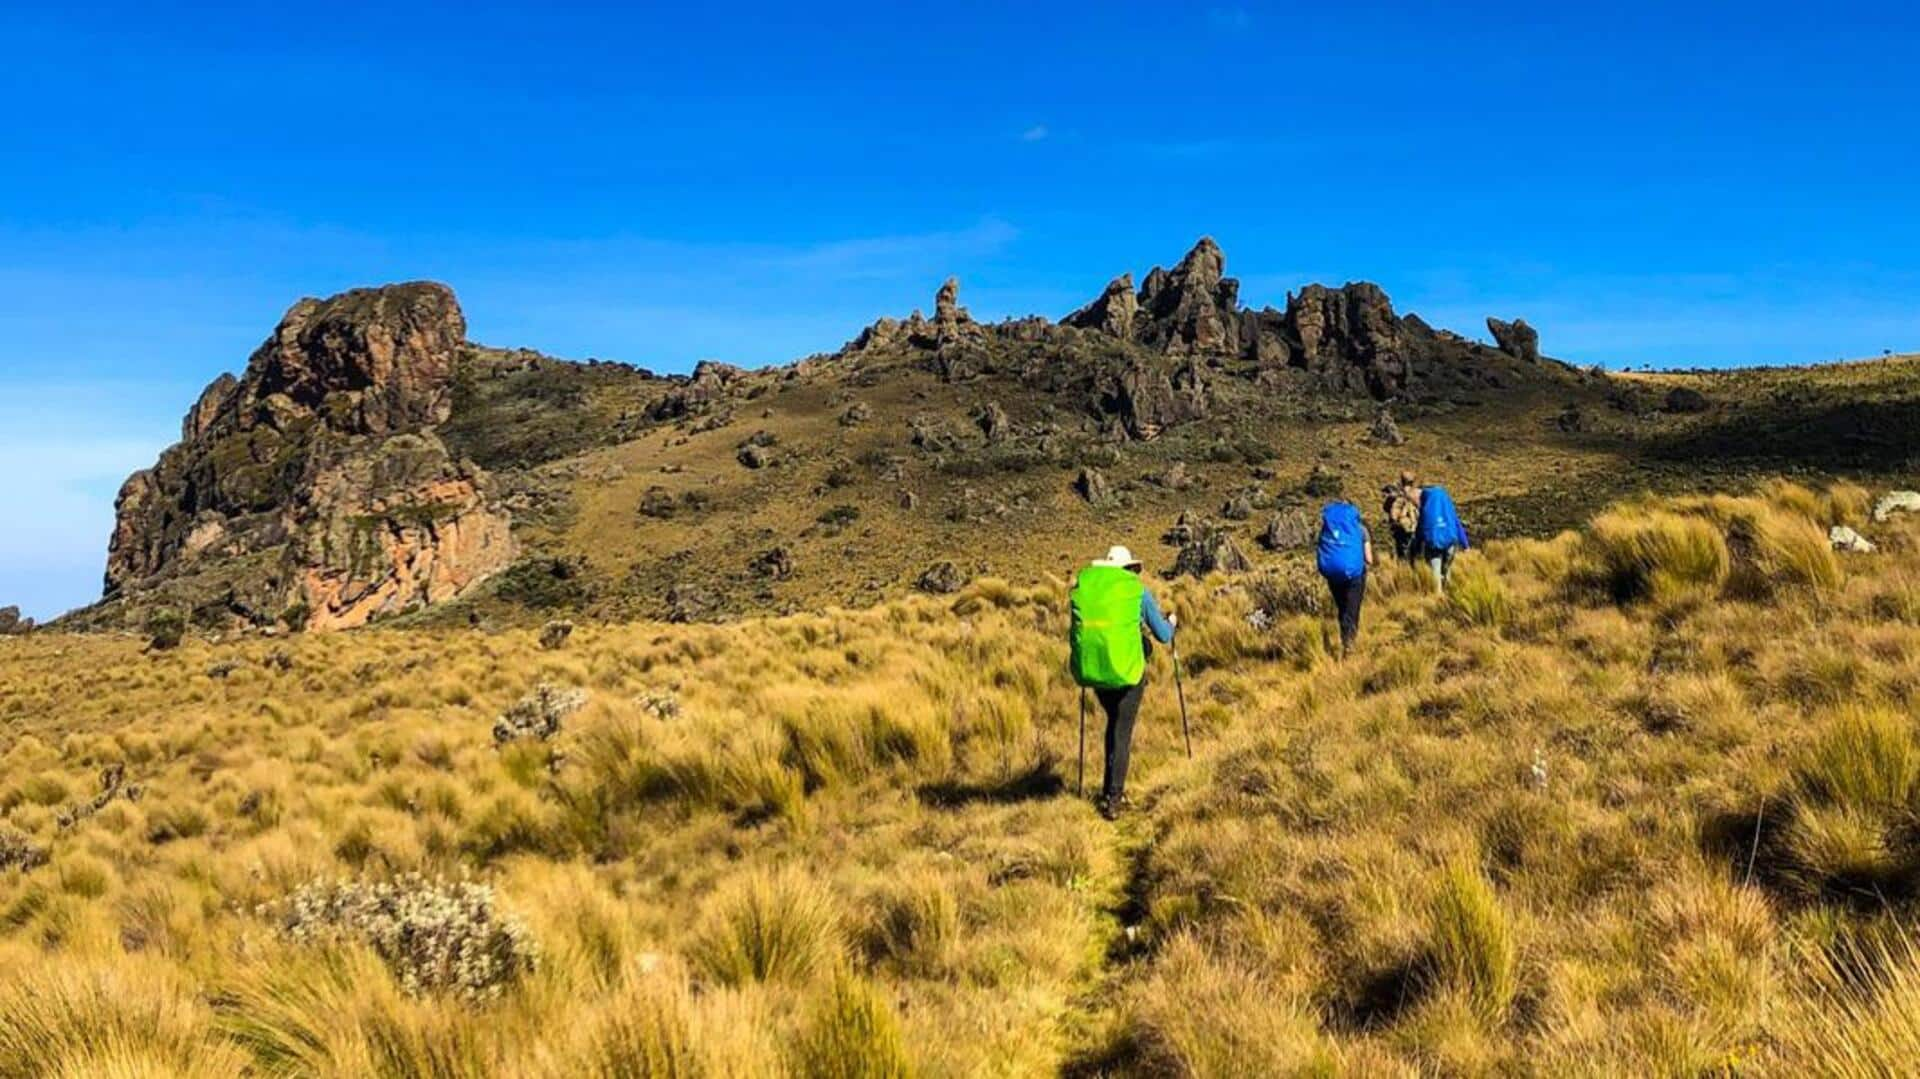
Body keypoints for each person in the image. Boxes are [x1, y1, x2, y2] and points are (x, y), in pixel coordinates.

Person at [1068, 545, 1176, 820]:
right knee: (1122, 730)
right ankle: (1113, 799)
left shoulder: (1092, 592)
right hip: (1128, 674)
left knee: (1113, 724)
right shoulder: (1137, 591)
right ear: (1127, 570)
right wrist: (1172, 622)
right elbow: (1163, 635)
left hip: (1096, 672)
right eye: (1131, 570)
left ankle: (1110, 788)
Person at [1315, 501, 1374, 656]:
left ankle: (1345, 638)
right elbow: (1369, 559)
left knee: (1342, 607)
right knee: (1352, 609)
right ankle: (1349, 644)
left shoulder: (1327, 529)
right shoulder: (1361, 530)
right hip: (1355, 574)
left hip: (1333, 574)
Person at [1415, 484, 1472, 594]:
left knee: (1436, 574)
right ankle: (1450, 595)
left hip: (1433, 543)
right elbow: (1457, 523)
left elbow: (1421, 528)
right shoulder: (1446, 505)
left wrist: (1417, 547)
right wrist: (1465, 545)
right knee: (1447, 570)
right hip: (1450, 542)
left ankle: (1439, 598)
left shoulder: (1426, 505)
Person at [1382, 471, 1421, 562]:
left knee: (1402, 554)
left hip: (1400, 528)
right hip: (1416, 528)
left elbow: (1386, 508)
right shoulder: (1418, 493)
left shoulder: (1395, 494)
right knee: (1416, 556)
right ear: (1413, 481)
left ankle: (1403, 573)